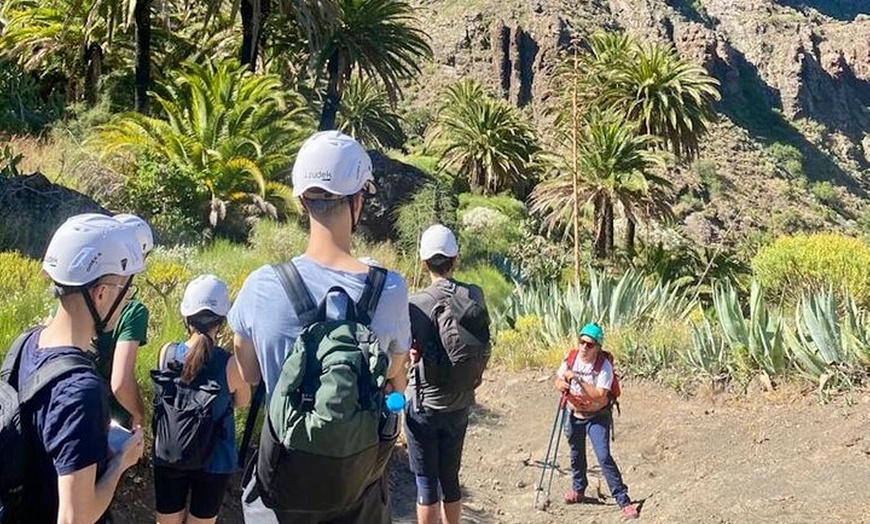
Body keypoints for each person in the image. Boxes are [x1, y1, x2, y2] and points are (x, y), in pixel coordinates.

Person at [228, 130, 412, 523]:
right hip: (357, 483)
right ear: (358, 199)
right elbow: (396, 375)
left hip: (283, 486)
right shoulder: (390, 289)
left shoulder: (261, 285)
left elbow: (250, 373)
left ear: (300, 200)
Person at [9, 214, 146, 523]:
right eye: (126, 292)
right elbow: (76, 518)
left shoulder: (26, 343)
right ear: (101, 293)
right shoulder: (80, 391)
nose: (125, 303)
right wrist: (121, 462)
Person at [405, 224, 491, 524]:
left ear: (423, 261)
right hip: (462, 401)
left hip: (425, 405)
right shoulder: (475, 294)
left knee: (427, 484)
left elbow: (408, 350)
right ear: (455, 259)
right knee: (450, 479)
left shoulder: (417, 303)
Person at [152, 274, 251, 524]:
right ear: (222, 322)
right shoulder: (231, 364)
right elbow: (241, 401)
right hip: (214, 461)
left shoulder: (166, 352)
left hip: (169, 454)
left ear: (186, 318)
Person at [43, 212, 153, 429]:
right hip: (107, 418)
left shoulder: (69, 299)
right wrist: (140, 414)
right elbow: (120, 383)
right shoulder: (133, 311)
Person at [554, 323, 638, 519]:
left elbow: (600, 395)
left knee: (603, 456)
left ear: (598, 347)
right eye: (582, 342)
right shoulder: (571, 358)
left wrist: (577, 380)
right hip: (573, 414)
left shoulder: (604, 366)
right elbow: (557, 380)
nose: (584, 347)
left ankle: (623, 500)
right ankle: (578, 489)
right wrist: (563, 383)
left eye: (589, 344)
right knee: (576, 453)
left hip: (597, 416)